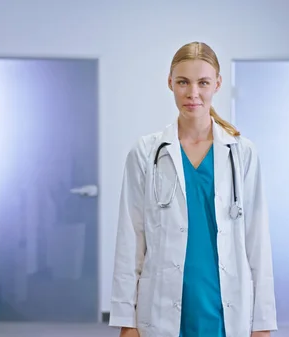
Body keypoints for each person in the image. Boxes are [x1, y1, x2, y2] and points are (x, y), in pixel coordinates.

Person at [109, 41, 277, 337]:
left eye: (203, 82)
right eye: (183, 82)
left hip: (224, 308)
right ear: (170, 83)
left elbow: (257, 243)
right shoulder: (146, 153)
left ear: (218, 84)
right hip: (163, 309)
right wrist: (127, 321)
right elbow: (130, 240)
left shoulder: (241, 153)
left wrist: (262, 324)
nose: (193, 93)